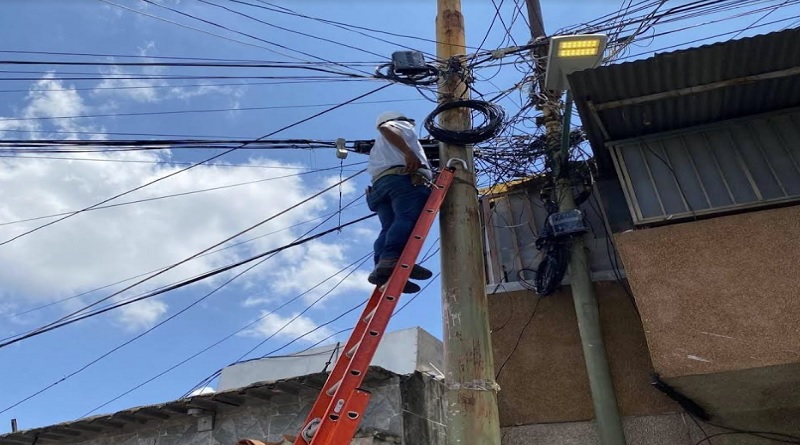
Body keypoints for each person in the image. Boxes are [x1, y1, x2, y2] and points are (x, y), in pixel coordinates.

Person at [366, 111, 434, 293]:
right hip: (401, 180)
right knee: (406, 218)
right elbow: (385, 128)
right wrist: (409, 153)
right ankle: (391, 259)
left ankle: (384, 269)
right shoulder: (397, 125)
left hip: (380, 188)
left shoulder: (377, 147)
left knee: (388, 227)